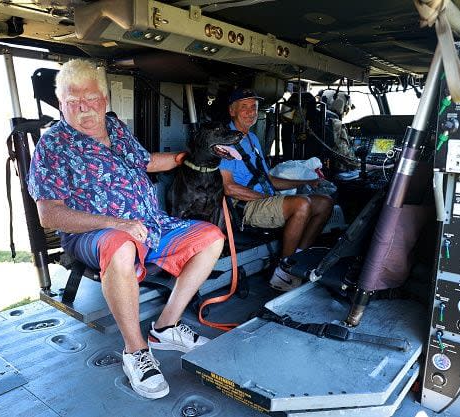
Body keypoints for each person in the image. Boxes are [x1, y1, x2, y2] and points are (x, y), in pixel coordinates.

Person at [27, 59, 225, 400]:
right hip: (95, 234)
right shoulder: (54, 145)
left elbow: (145, 161)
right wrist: (115, 223)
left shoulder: (114, 128)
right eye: (72, 101)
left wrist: (188, 157)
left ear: (105, 99)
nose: (83, 108)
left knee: (211, 237)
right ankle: (136, 351)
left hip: (150, 225)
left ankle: (165, 328)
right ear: (61, 104)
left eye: (90, 98)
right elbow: (49, 215)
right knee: (120, 245)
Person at [219, 88, 334, 291]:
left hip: (264, 198)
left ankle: (297, 258)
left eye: (254, 107)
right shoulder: (223, 142)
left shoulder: (252, 139)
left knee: (324, 202)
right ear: (232, 111)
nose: (250, 112)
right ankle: (283, 272)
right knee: (301, 204)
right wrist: (265, 198)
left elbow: (268, 178)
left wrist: (304, 183)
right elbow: (229, 188)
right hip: (244, 207)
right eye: (244, 107)